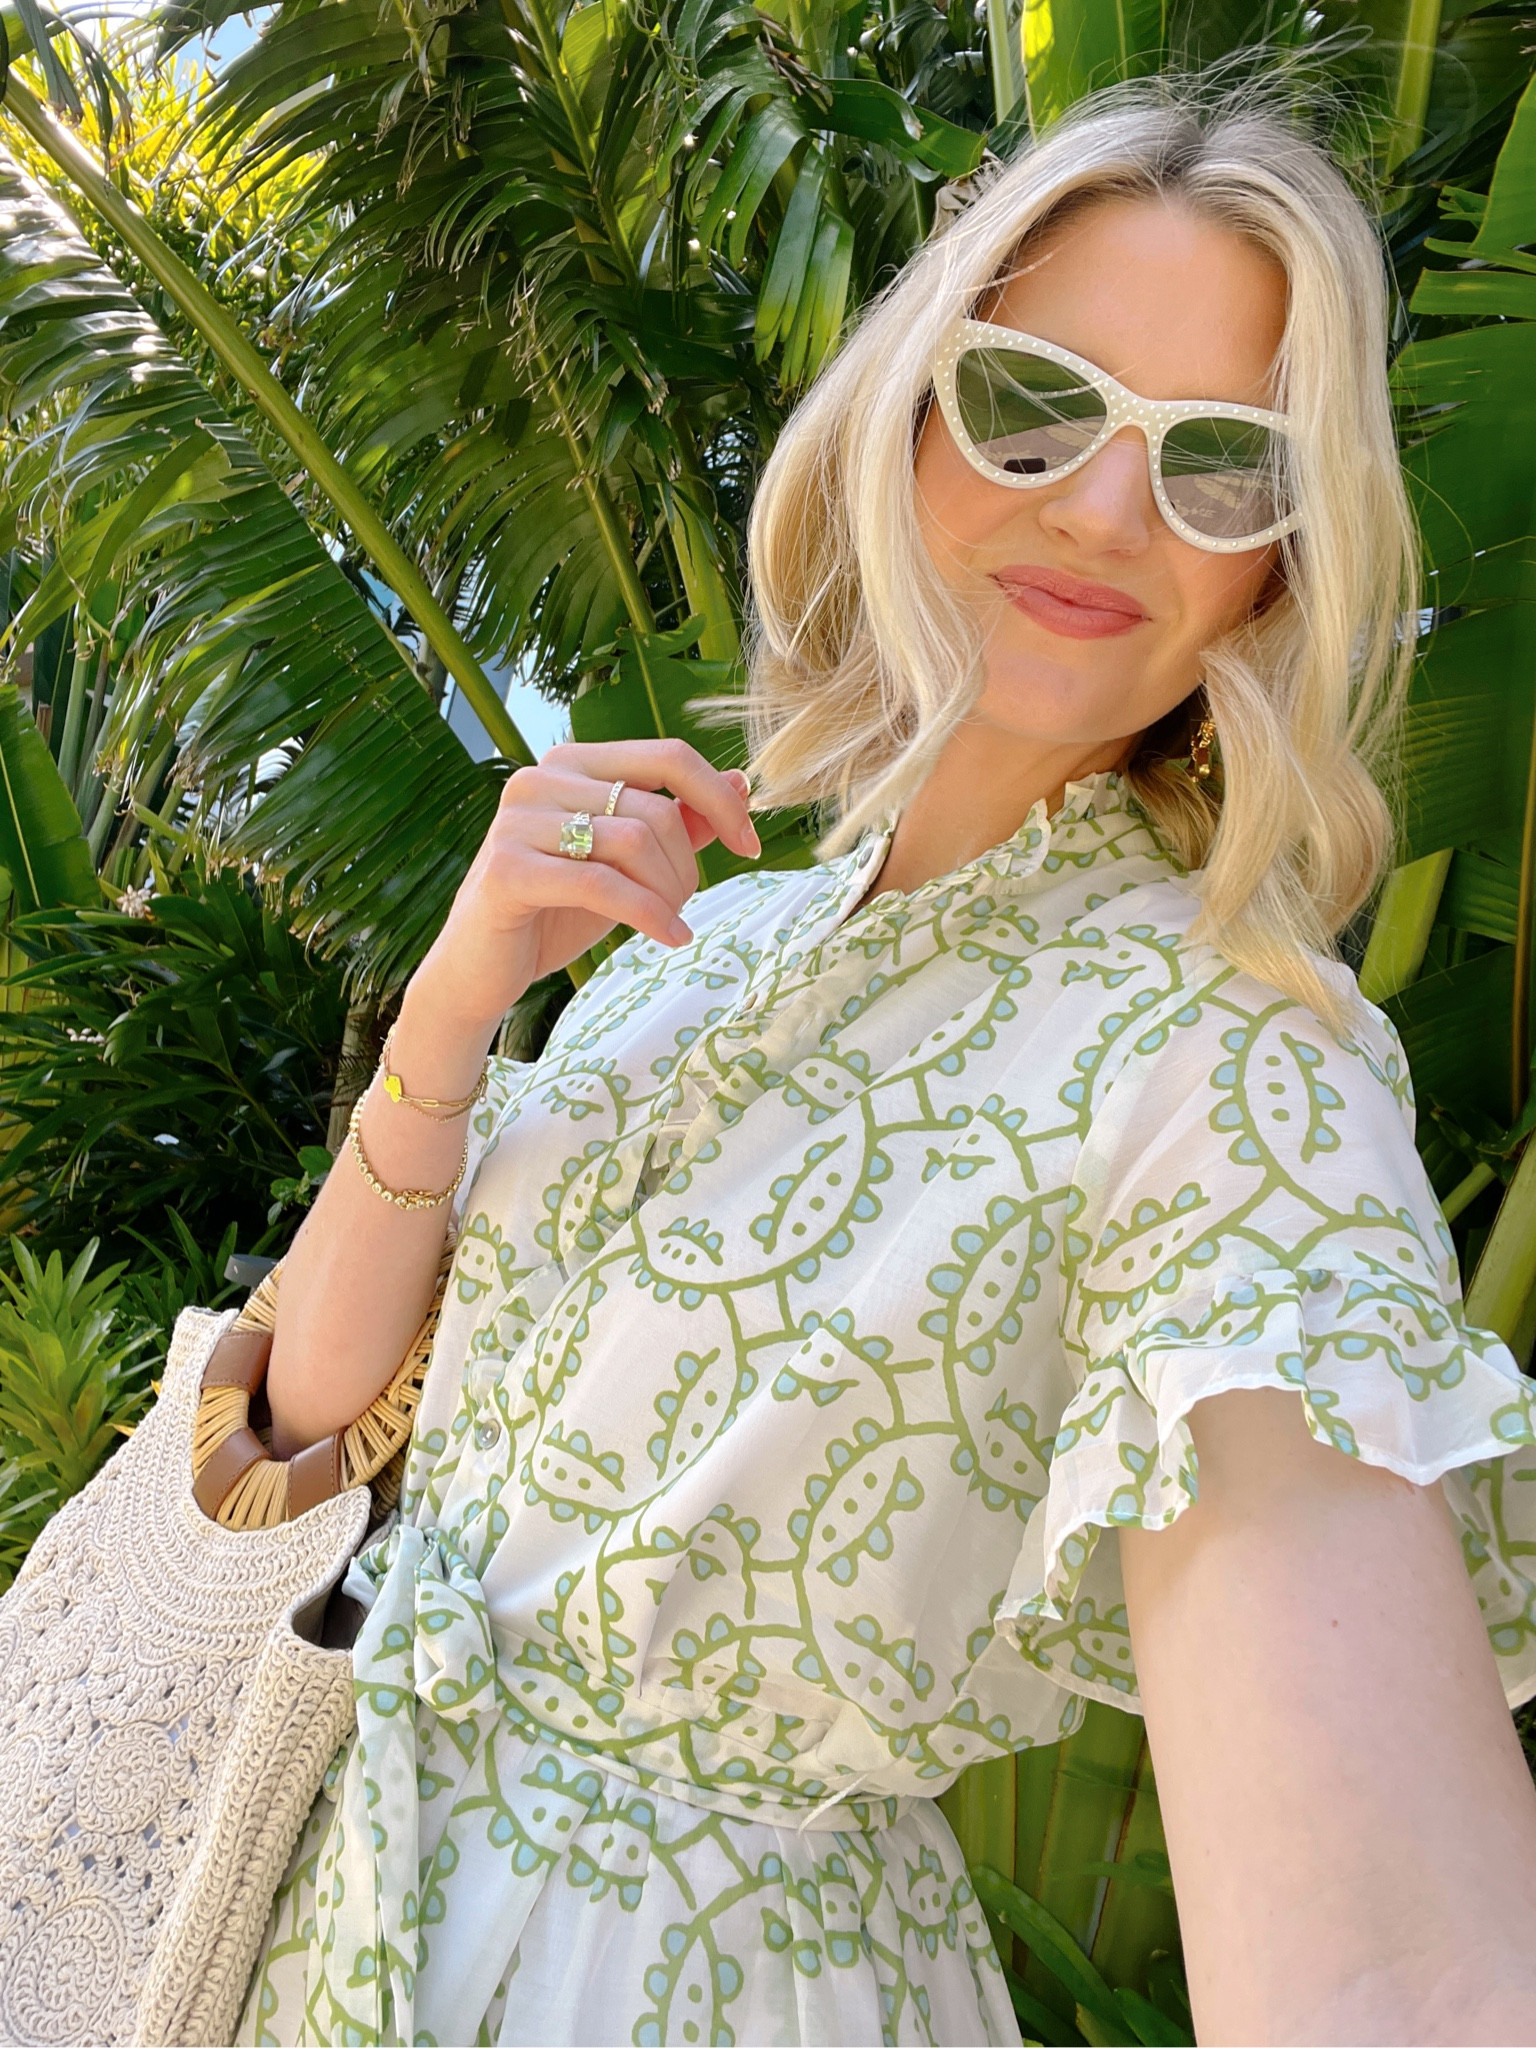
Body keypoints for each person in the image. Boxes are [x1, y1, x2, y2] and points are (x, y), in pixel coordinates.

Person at [238, 77, 1536, 2048]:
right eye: (1035, 402)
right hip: (315, 1905)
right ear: (906, 417)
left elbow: (1393, 1970)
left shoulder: (1238, 1063)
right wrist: (452, 1003)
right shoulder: (716, 938)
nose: (1103, 510)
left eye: (1222, 462)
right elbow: (318, 1428)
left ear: (1281, 561)